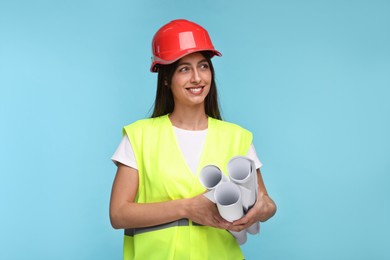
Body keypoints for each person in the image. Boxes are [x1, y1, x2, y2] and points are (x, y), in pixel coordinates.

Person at [109, 19, 276, 260]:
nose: (197, 78)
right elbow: (119, 214)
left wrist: (262, 209)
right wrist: (187, 208)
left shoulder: (236, 137)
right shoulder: (140, 136)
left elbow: (267, 203)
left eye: (204, 66)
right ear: (166, 78)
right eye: (184, 69)